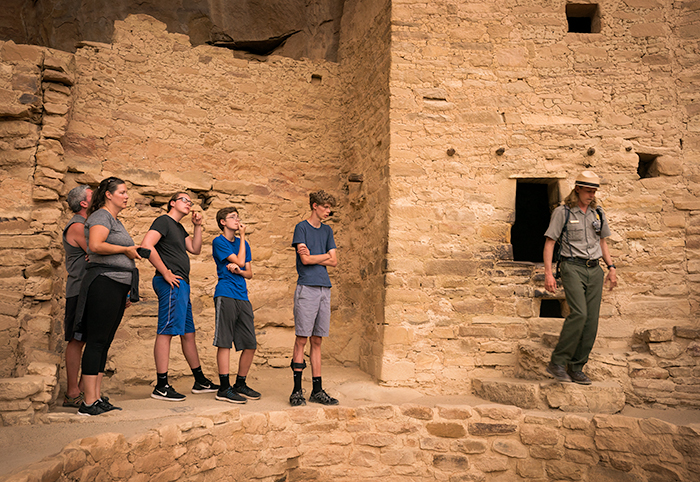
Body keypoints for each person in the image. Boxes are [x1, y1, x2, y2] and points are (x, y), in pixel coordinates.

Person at [75, 177, 144, 416]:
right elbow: (95, 245)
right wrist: (126, 249)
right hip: (103, 283)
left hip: (116, 285)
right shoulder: (101, 217)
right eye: (122, 192)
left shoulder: (115, 220)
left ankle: (96, 397)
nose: (126, 196)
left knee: (104, 342)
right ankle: (88, 402)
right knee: (96, 341)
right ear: (109, 194)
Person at [141, 193, 219, 401]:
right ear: (172, 203)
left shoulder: (178, 227)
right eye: (184, 200)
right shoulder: (163, 221)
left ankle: (200, 380)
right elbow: (146, 245)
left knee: (188, 334)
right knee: (166, 331)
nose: (189, 204)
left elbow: (195, 248)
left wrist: (198, 226)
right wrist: (165, 272)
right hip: (170, 283)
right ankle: (161, 385)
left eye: (190, 202)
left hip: (181, 285)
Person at [543, 171, 618, 384]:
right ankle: (557, 362)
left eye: (594, 191)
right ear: (577, 189)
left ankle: (576, 367)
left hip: (595, 270)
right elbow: (550, 243)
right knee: (579, 314)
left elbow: (603, 243)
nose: (591, 195)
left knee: (592, 321)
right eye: (588, 190)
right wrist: (548, 274)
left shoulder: (598, 213)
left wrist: (611, 267)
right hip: (572, 266)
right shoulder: (563, 212)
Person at [289, 190, 339, 406]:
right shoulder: (302, 228)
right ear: (314, 206)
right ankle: (297, 390)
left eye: (330, 208)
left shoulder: (327, 231)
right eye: (325, 206)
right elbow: (305, 261)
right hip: (306, 288)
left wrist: (316, 257)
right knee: (302, 339)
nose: (328, 211)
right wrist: (323, 257)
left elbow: (334, 261)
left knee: (317, 340)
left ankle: (317, 390)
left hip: (324, 288)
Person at [211, 207, 261, 404]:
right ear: (223, 222)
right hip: (225, 294)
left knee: (250, 343)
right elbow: (240, 260)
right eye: (232, 217)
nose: (237, 220)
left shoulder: (243, 243)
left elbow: (248, 272)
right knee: (225, 341)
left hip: (242, 296)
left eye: (238, 217)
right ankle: (224, 388)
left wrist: (239, 270)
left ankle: (240, 383)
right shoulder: (219, 241)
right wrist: (241, 236)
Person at [61, 185, 94, 408]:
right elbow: (95, 251)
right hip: (78, 290)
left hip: (90, 289)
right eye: (93, 196)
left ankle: (84, 391)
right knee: (76, 339)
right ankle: (72, 392)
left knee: (92, 338)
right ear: (83, 203)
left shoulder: (89, 225)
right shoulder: (77, 226)